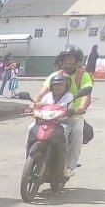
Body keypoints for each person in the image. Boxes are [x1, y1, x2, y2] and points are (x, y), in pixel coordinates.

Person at [33, 45, 93, 179]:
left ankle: (70, 167)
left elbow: (86, 95)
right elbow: (41, 93)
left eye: (71, 59)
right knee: (31, 128)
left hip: (72, 115)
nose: (67, 62)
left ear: (77, 61)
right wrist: (32, 104)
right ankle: (30, 157)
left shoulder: (84, 76)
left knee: (77, 132)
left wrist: (80, 108)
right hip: (51, 114)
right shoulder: (55, 75)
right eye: (65, 58)